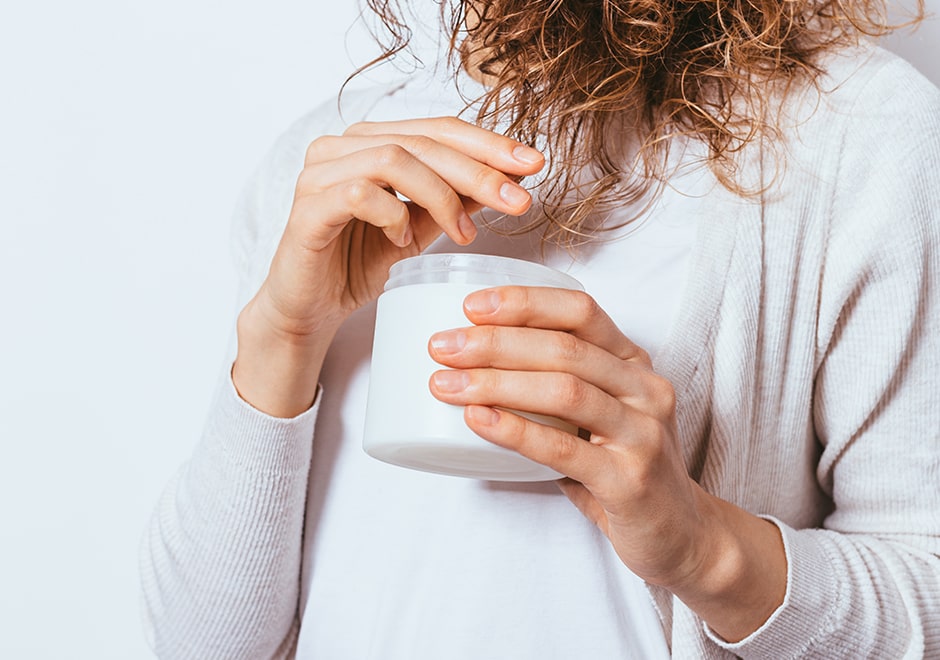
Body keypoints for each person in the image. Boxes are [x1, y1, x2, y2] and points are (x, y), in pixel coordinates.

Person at [140, 0, 940, 657]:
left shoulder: (861, 137)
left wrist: (705, 551)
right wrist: (280, 337)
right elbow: (201, 644)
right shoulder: (331, 156)